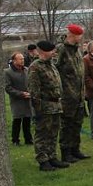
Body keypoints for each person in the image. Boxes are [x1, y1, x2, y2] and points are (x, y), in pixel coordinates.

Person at [27, 40, 70, 172]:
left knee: (53, 132)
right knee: (42, 133)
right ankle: (43, 159)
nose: (54, 53)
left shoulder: (51, 65)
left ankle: (52, 156)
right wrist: (38, 107)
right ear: (44, 52)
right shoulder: (36, 66)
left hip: (55, 104)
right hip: (44, 105)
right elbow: (33, 89)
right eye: (51, 50)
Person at [55, 23, 89, 163]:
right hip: (67, 96)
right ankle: (66, 152)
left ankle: (75, 149)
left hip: (79, 95)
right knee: (67, 125)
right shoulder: (61, 49)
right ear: (73, 35)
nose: (81, 38)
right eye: (79, 35)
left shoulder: (77, 50)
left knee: (77, 124)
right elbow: (55, 70)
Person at [4, 51, 33, 146]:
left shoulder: (26, 70)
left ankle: (28, 139)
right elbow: (8, 88)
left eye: (23, 59)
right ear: (14, 61)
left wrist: (30, 92)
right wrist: (20, 94)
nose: (22, 61)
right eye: (20, 59)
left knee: (27, 119)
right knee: (17, 120)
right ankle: (15, 140)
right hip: (17, 99)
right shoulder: (8, 72)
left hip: (27, 98)